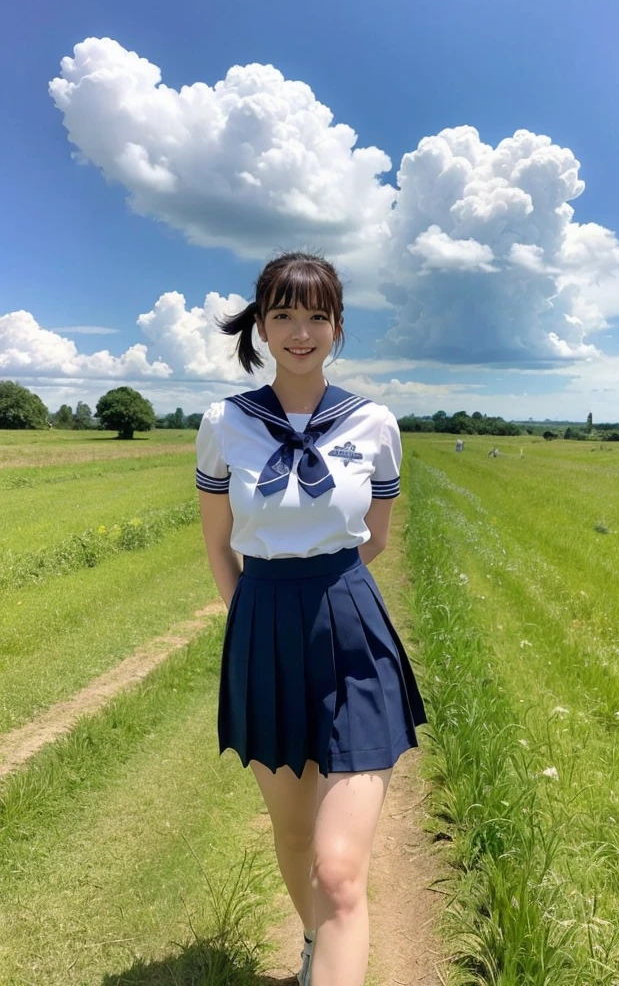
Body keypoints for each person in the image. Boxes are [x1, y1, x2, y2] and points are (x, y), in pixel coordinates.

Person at [195, 251, 428, 986]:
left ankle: (327, 938)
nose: (301, 331)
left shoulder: (374, 422)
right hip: (263, 627)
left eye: (317, 316)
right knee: (294, 834)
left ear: (338, 327)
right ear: (261, 325)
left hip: (351, 631)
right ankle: (312, 943)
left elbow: (378, 537)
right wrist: (256, 625)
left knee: (337, 872)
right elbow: (217, 546)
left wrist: (330, 605)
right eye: (285, 314)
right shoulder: (224, 422)